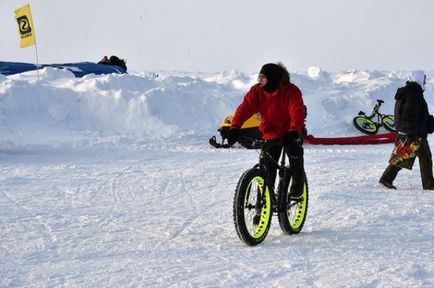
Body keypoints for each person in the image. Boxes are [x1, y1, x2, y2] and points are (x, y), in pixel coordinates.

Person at [227, 62, 306, 199]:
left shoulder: (291, 91)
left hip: (290, 131)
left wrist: (293, 131)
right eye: (260, 77)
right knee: (267, 169)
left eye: (263, 78)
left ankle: (298, 183)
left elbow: (296, 112)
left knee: (295, 155)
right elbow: (244, 109)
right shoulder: (257, 91)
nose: (260, 81)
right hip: (270, 132)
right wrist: (235, 127)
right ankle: (264, 200)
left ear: (273, 79)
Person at [379, 70, 434, 190]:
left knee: (423, 157)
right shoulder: (412, 94)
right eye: (423, 78)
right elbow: (409, 114)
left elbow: (419, 114)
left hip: (414, 132)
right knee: (404, 157)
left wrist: (429, 122)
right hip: (413, 133)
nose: (425, 81)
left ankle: (429, 184)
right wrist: (410, 132)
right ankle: (386, 179)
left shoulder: (413, 92)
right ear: (417, 78)